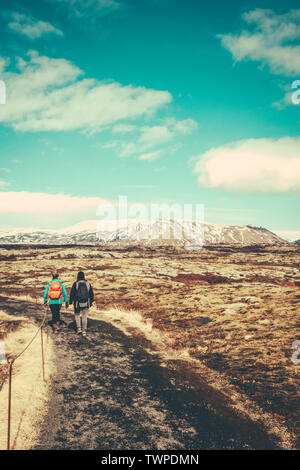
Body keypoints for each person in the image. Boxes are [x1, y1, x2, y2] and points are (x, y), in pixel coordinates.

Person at [69, 271, 94, 337]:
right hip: (86, 303)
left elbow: (72, 294)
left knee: (77, 315)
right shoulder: (88, 283)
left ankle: (79, 329)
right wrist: (91, 302)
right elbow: (91, 293)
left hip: (77, 303)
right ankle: (84, 331)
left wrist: (71, 302)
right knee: (84, 316)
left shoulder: (76, 283)